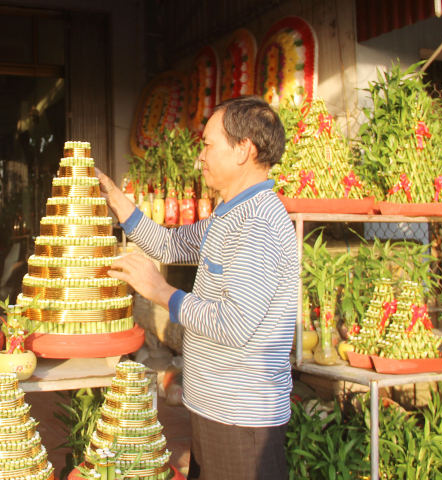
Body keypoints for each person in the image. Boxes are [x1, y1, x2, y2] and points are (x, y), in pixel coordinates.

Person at [97, 95, 298, 480]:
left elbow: (233, 324)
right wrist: (120, 203)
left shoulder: (258, 224)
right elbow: (170, 244)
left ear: (243, 150)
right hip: (215, 409)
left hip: (242, 420)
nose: (199, 157)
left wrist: (160, 291)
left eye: (207, 145)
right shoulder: (230, 215)